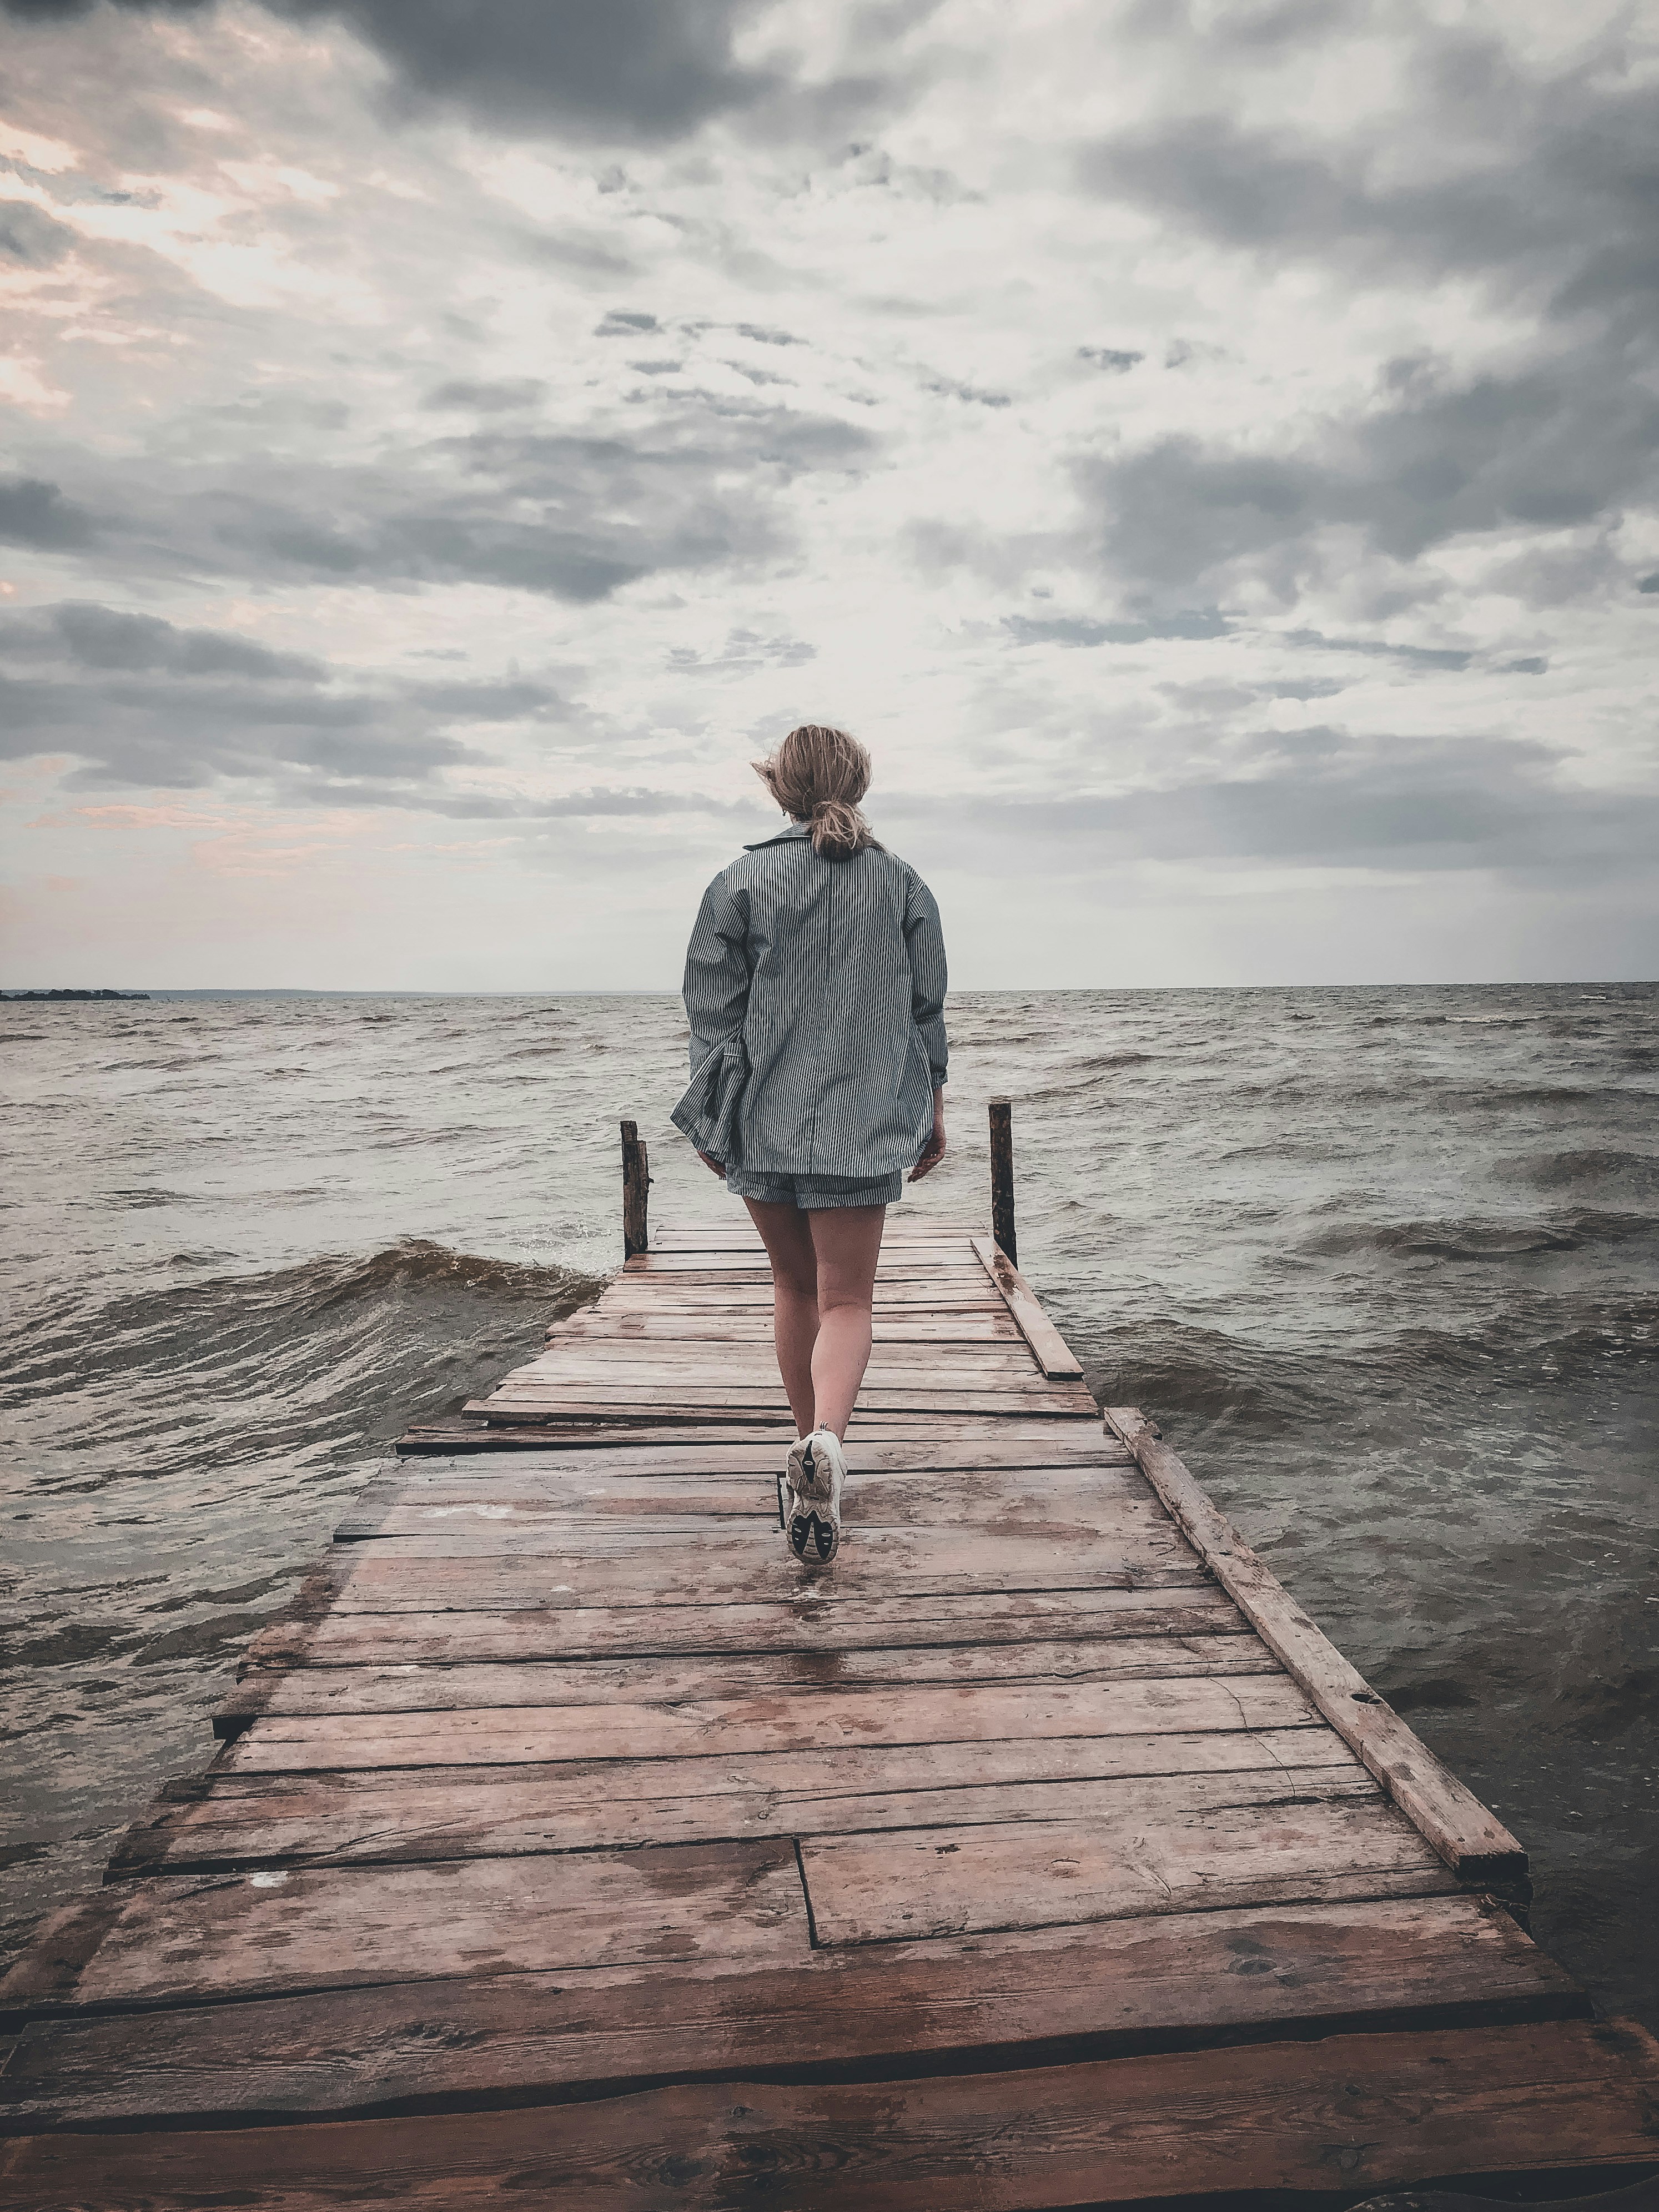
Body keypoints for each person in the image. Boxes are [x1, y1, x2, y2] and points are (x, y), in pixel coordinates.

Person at [670, 723, 948, 1567]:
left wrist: (714, 1119)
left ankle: (806, 1453)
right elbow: (925, 1010)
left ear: (778, 787)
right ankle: (826, 1441)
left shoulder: (740, 880)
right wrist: (932, 1107)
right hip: (862, 1121)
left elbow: (711, 1015)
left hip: (765, 1114)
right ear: (857, 784)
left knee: (793, 1288)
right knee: (848, 1302)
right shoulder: (901, 882)